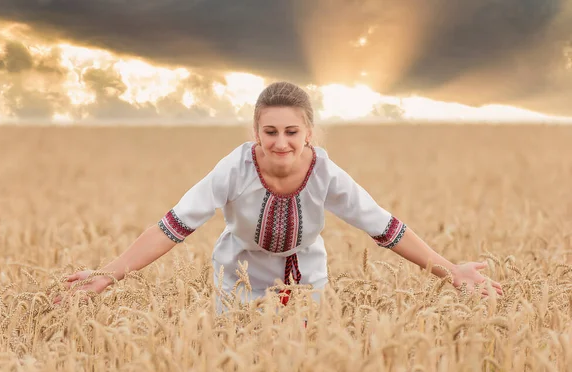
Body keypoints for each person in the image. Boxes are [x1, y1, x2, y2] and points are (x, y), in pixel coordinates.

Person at [60, 81, 503, 311]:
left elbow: (384, 227)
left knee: (304, 357)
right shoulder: (233, 169)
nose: (281, 142)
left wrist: (451, 272)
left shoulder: (326, 173)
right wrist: (109, 274)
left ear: (309, 133)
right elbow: (174, 226)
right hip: (239, 271)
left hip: (307, 271)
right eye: (270, 131)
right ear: (256, 132)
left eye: (292, 131)